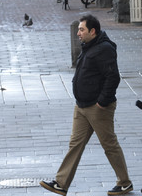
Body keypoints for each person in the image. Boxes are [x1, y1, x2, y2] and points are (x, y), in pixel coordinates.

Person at [40, 14, 133, 196]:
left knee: (109, 144)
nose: (78, 33)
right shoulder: (90, 46)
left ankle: (124, 182)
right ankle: (61, 183)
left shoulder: (104, 48)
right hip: (81, 106)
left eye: (82, 29)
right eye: (78, 29)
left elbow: (113, 77)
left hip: (97, 107)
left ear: (93, 31)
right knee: (75, 144)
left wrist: (102, 102)